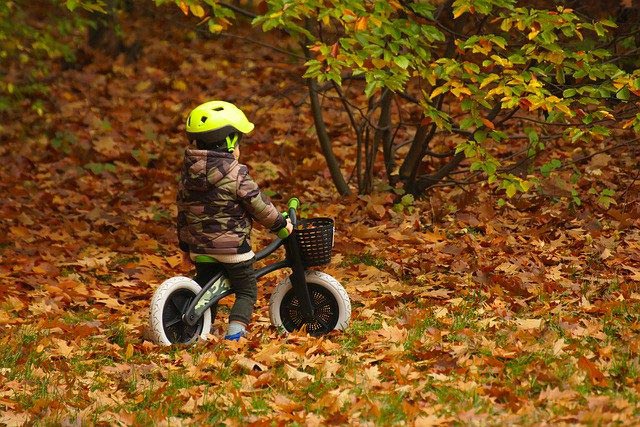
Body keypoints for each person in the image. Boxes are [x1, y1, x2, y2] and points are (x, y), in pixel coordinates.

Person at [176, 100, 293, 340]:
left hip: (200, 249)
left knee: (206, 292)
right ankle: (235, 335)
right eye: (238, 140)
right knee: (246, 291)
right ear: (229, 142)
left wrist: (186, 246)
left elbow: (183, 211)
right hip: (233, 250)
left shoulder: (188, 174)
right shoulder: (236, 173)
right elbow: (258, 205)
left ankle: (198, 330)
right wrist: (281, 225)